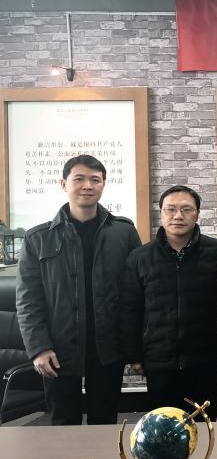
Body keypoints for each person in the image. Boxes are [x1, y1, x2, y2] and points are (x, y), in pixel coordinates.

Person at [16, 154, 141, 425]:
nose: (87, 185)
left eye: (95, 180)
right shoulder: (38, 238)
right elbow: (28, 301)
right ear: (63, 184)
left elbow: (135, 295)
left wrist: (135, 349)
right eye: (79, 179)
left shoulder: (124, 233)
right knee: (62, 424)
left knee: (105, 422)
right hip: (58, 349)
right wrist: (38, 348)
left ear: (103, 184)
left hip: (108, 347)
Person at [120, 185, 217, 417]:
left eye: (186, 209)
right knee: (163, 426)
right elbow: (130, 310)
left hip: (209, 359)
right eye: (171, 209)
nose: (178, 216)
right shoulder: (140, 258)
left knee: (208, 425)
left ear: (197, 214)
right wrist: (134, 355)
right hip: (159, 361)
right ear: (161, 213)